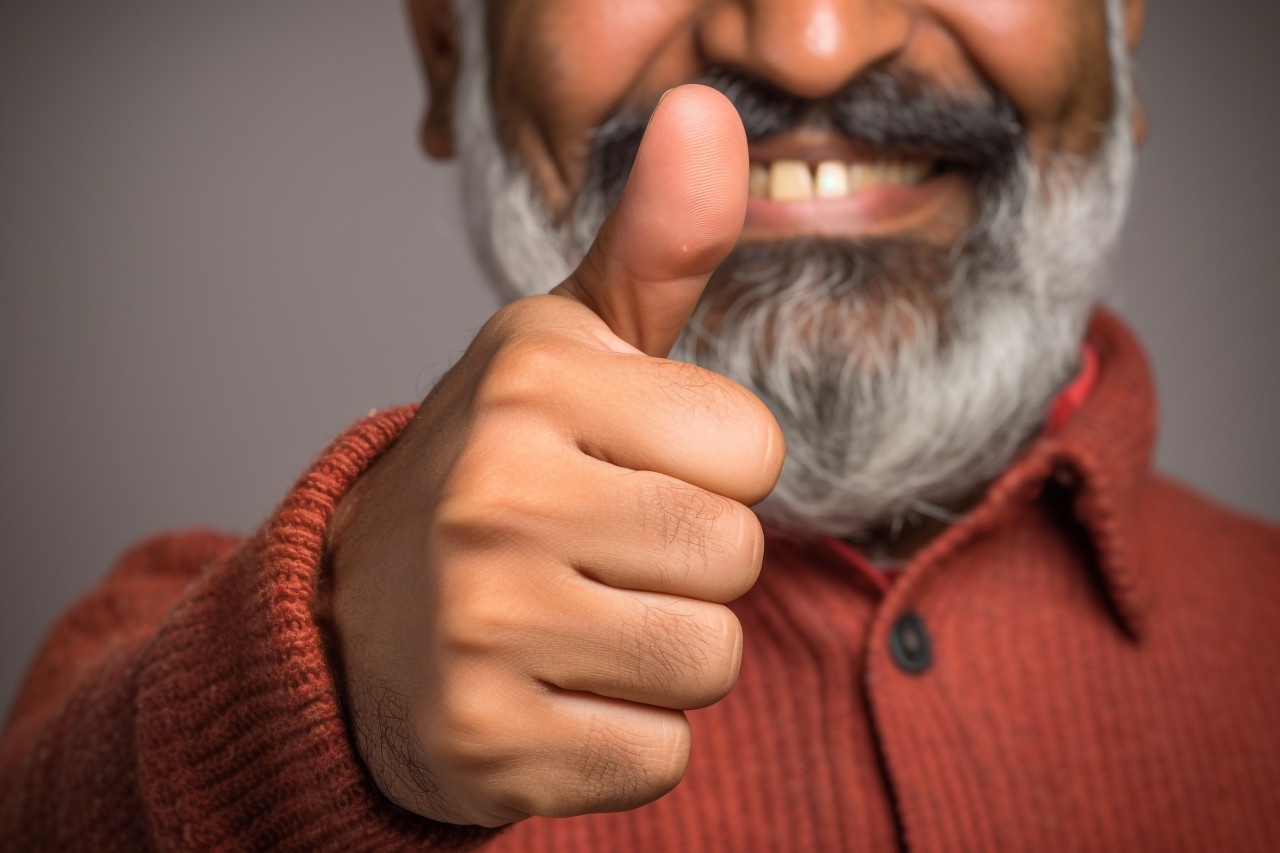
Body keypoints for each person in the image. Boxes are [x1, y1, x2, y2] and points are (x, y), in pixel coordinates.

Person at [2, 0, 1279, 849]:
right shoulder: (176, 662)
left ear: (1119, 29)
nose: (813, 43)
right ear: (450, 49)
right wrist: (322, 696)